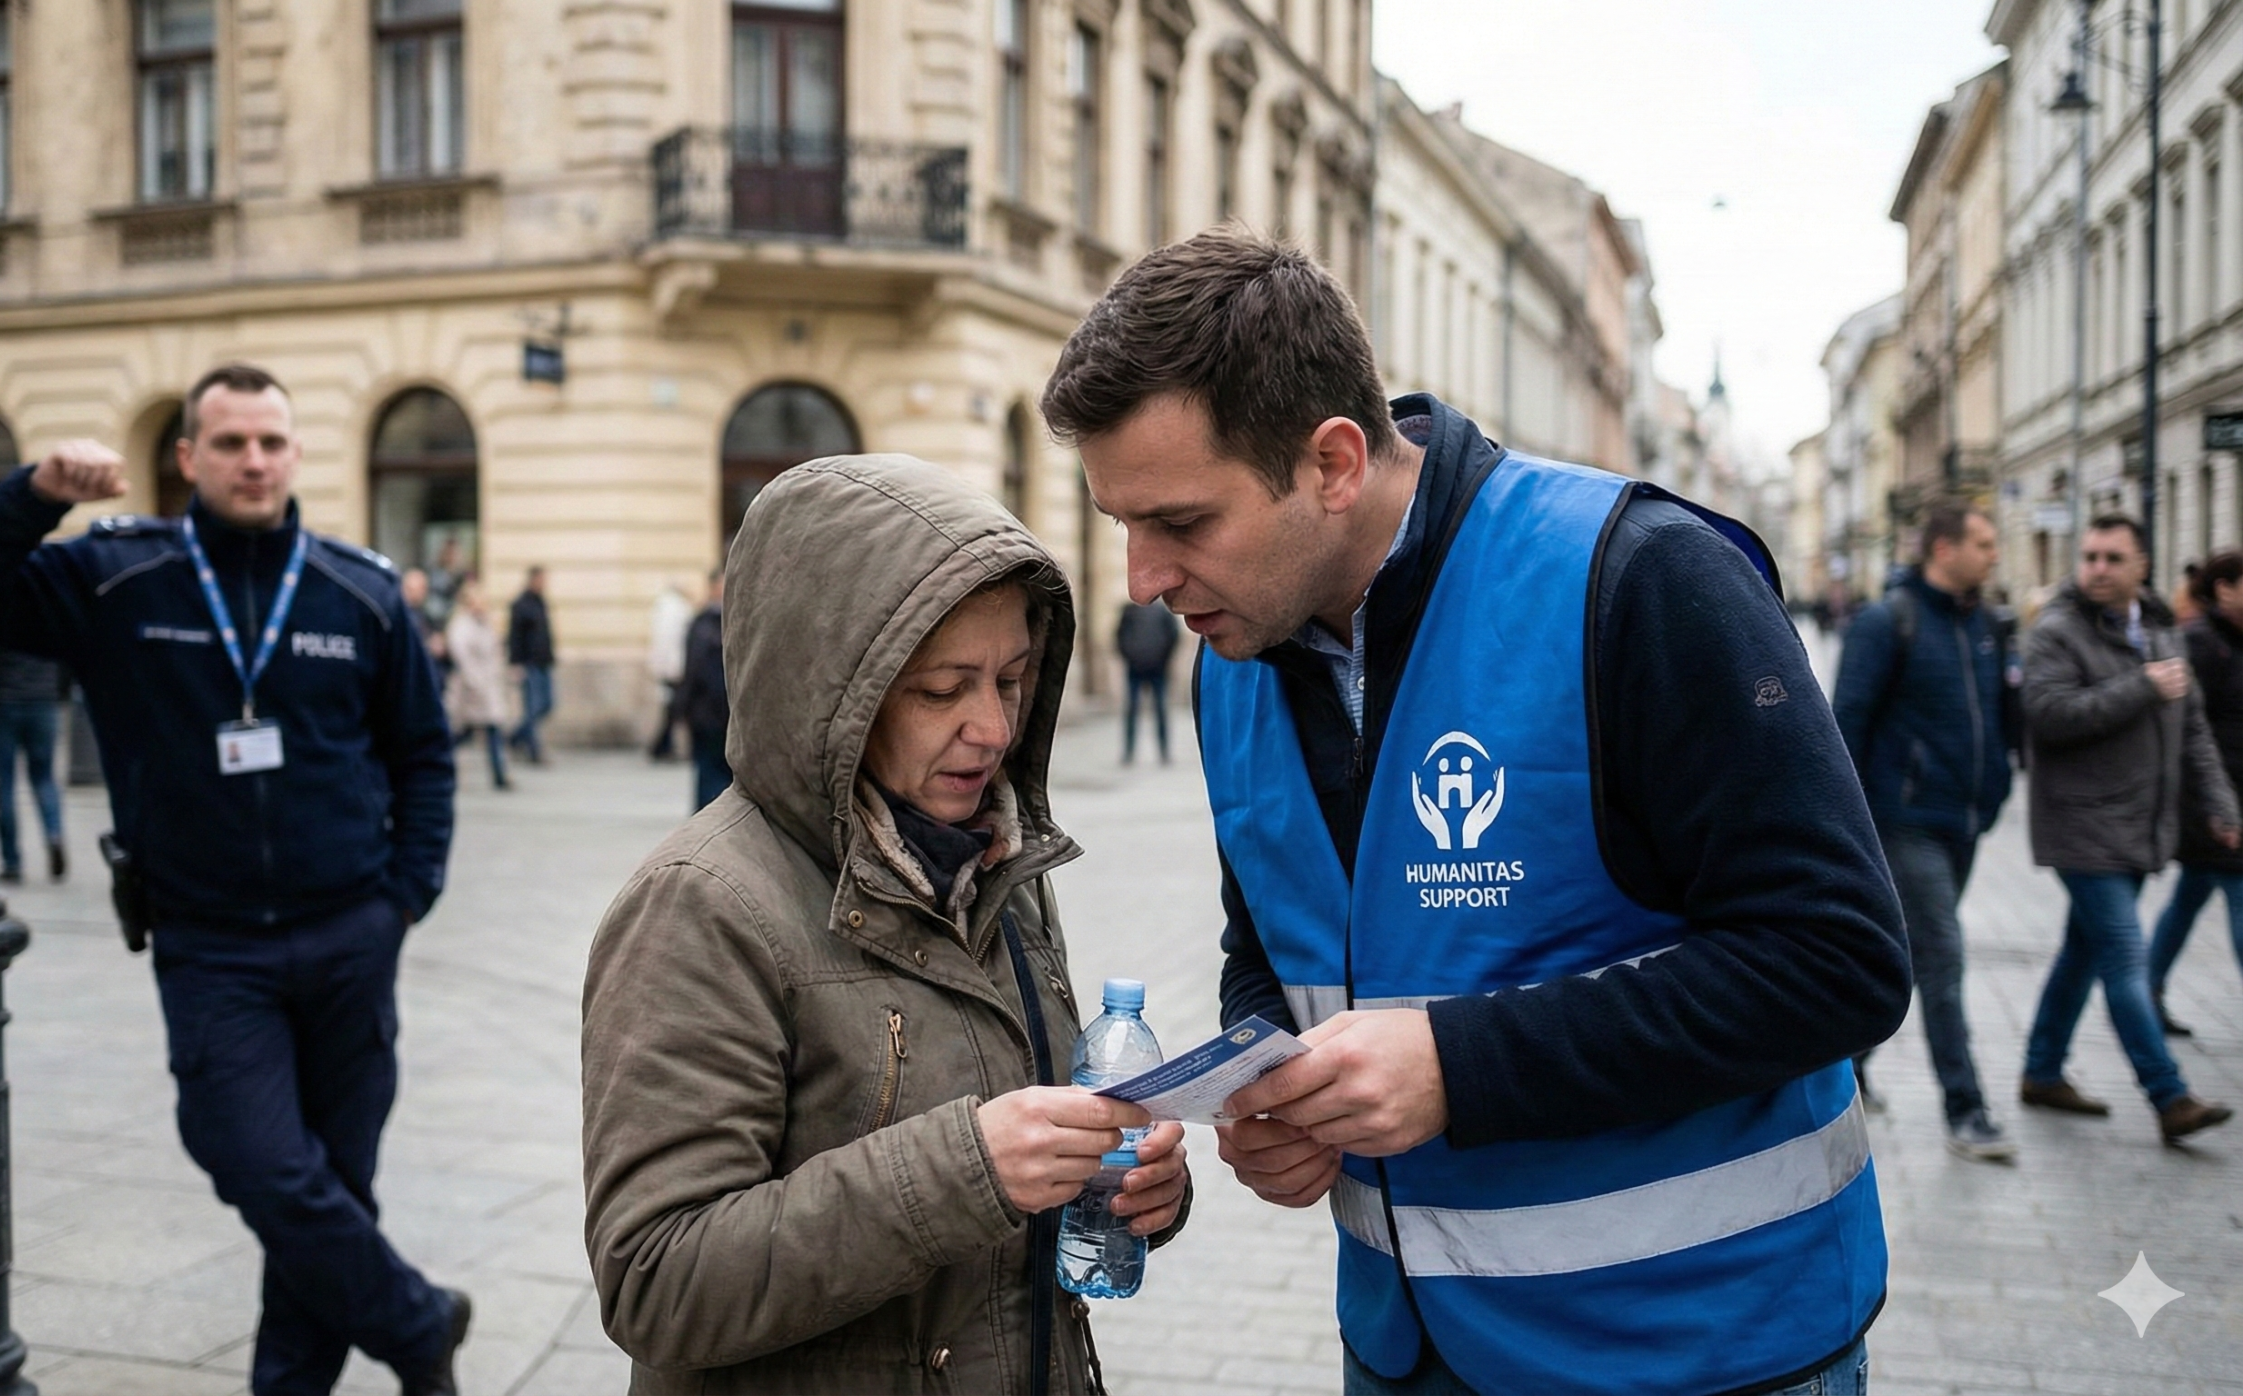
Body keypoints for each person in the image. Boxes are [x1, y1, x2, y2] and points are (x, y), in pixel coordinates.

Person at [1042, 230, 1904, 1396]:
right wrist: (1280, 1093)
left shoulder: (1639, 575)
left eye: (1182, 524)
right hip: (1407, 1351)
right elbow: (1277, 944)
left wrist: (1459, 1064)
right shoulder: (1231, 659)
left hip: (1698, 1346)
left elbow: (1838, 960)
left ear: (1334, 462)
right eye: (1122, 528)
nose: (1142, 579)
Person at [583, 454, 1189, 1396]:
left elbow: (1025, 1159)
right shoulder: (700, 902)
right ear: (833, 695)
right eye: (943, 690)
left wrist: (1133, 1186)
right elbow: (659, 1280)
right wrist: (968, 1168)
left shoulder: (999, 862)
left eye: (1013, 679)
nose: (991, 728)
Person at [0, 363, 471, 1395]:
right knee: (256, 1158)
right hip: (210, 942)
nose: (254, 460)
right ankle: (417, 1322)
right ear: (188, 457)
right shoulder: (118, 576)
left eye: (271, 442)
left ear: (294, 454)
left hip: (349, 935)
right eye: (231, 442)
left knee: (334, 1182)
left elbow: (423, 752)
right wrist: (36, 492)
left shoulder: (358, 589)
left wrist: (404, 896)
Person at [2019, 516, 2237, 1143]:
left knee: (2081, 952)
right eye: (2089, 556)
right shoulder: (2057, 631)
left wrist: (2223, 807)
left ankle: (2041, 1070)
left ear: (2143, 563)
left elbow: (2194, 733)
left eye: (2113, 557)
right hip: (2083, 826)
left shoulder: (2164, 630)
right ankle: (2169, 1096)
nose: (2097, 568)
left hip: (2141, 826)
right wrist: (2137, 686)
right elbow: (2048, 714)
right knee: (2123, 954)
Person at [1829, 503, 2019, 1160]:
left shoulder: (1987, 625)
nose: (1995, 555)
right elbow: (1843, 726)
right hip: (1906, 823)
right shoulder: (1887, 622)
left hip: (1964, 820)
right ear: (1943, 548)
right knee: (1943, 955)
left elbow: (1998, 717)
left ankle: (1844, 1065)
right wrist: (1849, 827)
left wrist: (1997, 784)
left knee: (1908, 959)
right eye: (1984, 543)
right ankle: (1966, 1110)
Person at [2151, 549, 2243, 1036]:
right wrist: (2207, 805)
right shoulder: (2202, 644)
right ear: (2224, 589)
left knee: (2188, 899)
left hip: (2227, 802)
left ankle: (2148, 986)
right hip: (2217, 808)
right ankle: (2146, 988)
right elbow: (2187, 730)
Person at [0, 641, 67, 884]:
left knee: (4, 784)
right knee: (44, 777)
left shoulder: (3, 614)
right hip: (44, 700)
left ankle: (12, 862)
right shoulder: (47, 614)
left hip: (4, 702)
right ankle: (54, 834)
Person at [444, 575, 514, 791]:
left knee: (491, 729)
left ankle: (500, 775)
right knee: (462, 733)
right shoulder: (461, 625)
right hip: (470, 690)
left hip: (488, 687)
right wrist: (475, 682)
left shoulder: (486, 623)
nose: (482, 605)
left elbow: (495, 652)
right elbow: (461, 657)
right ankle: (439, 761)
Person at [674, 568, 730, 811]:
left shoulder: (711, 622)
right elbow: (693, 671)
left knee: (716, 772)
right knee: (710, 770)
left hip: (719, 712)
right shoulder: (705, 624)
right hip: (710, 712)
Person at [1115, 598, 1181, 765]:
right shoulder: (1130, 612)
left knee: (1157, 710)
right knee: (1134, 711)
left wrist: (1163, 659)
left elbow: (1174, 636)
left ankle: (1163, 751)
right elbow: (1119, 637)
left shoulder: (1161, 612)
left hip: (1155, 668)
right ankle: (1131, 752)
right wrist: (1129, 657)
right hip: (1139, 668)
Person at [505, 565, 556, 764]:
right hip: (528, 664)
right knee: (532, 709)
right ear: (533, 579)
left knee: (547, 704)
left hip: (544, 662)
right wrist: (515, 663)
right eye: (541, 579)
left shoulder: (541, 602)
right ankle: (534, 751)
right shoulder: (520, 604)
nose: (544, 583)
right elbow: (514, 637)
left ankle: (515, 737)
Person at [644, 579, 692, 762]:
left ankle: (663, 746)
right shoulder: (675, 609)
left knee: (671, 710)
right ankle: (660, 746)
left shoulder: (665, 608)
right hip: (674, 668)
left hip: (669, 667)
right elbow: (673, 642)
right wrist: (674, 668)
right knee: (674, 709)